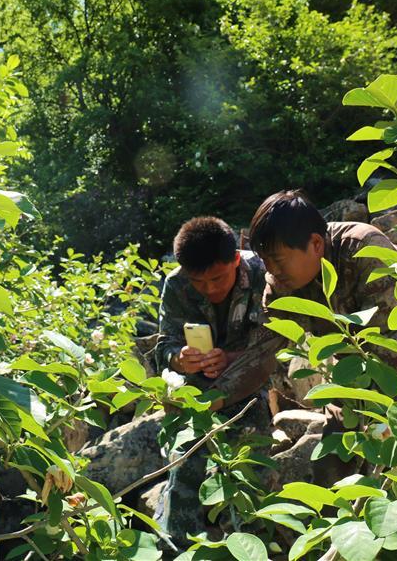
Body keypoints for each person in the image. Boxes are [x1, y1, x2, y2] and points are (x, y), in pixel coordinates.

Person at [153, 217, 276, 549]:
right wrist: (179, 358)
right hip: (194, 393)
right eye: (199, 281)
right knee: (184, 468)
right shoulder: (177, 285)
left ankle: (252, 546)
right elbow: (163, 346)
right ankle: (175, 548)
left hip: (245, 390)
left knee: (249, 469)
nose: (210, 288)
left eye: (218, 278)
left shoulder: (264, 276)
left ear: (236, 258)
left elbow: (272, 346)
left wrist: (231, 359)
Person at [248, 190, 397, 409]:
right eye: (265, 261)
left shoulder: (365, 250)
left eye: (277, 260)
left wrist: (374, 416)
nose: (271, 270)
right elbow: (262, 347)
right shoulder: (280, 284)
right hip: (354, 372)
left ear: (316, 244)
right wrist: (221, 371)